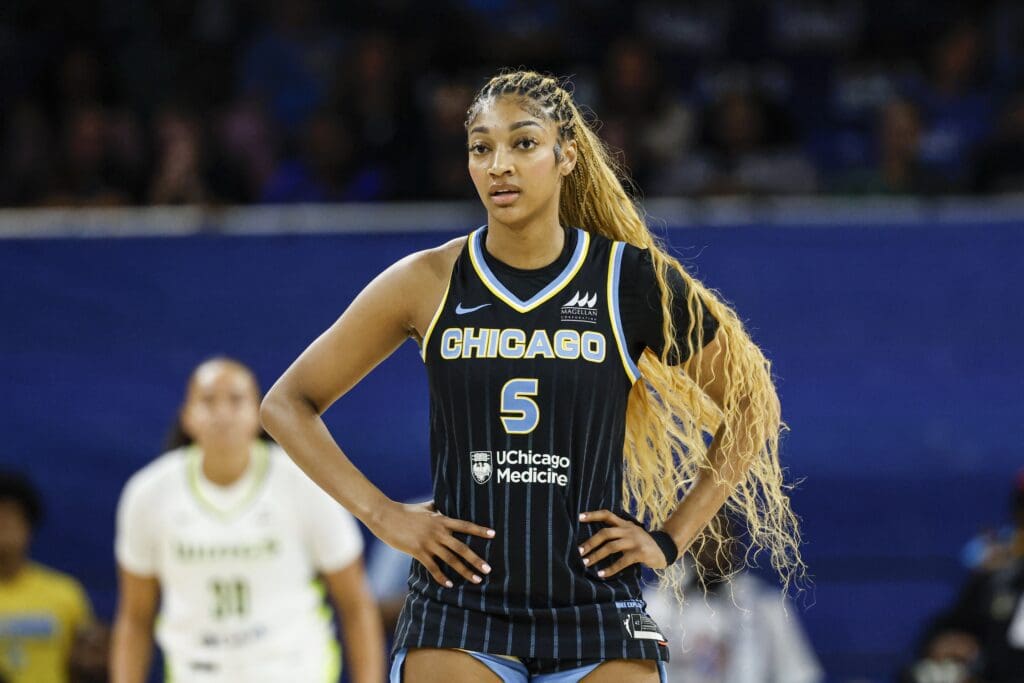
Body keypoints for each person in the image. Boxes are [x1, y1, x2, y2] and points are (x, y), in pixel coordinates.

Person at [260, 70, 804, 683]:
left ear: (566, 154)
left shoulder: (629, 281)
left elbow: (752, 403)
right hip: (460, 604)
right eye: (481, 148)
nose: (499, 165)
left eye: (523, 144)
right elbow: (286, 404)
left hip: (595, 605)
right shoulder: (428, 280)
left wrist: (671, 538)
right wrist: (383, 515)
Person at [111, 357, 385, 683]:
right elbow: (135, 618)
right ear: (187, 416)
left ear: (258, 413)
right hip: (196, 671)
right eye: (208, 400)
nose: (222, 413)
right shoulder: (148, 493)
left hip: (295, 669)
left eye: (236, 400)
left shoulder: (306, 482)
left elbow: (356, 605)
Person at [644, 513, 822, 683]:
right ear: (687, 543)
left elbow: (796, 676)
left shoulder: (765, 604)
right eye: (703, 537)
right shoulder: (653, 607)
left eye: (720, 537)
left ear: (734, 543)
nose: (712, 546)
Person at [0, 470, 94, 683]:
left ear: (29, 526)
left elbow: (85, 664)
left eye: (10, 516)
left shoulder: (65, 593)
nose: (2, 525)